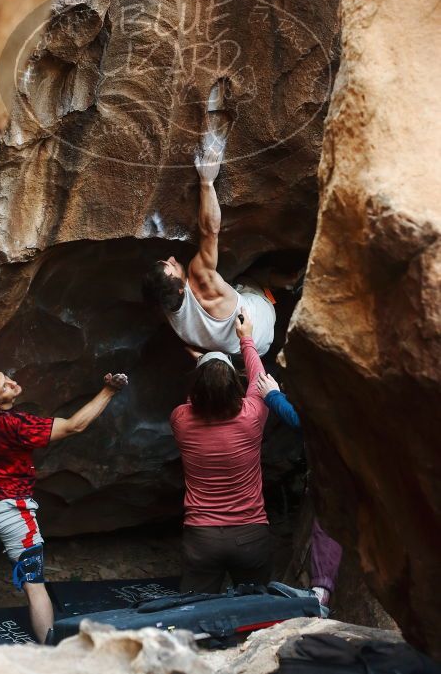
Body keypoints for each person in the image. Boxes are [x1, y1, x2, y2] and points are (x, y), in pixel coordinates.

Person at [0, 366, 128, 642]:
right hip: (12, 513)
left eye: (6, 377)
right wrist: (109, 391)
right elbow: (75, 425)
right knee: (34, 586)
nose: (13, 384)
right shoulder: (17, 427)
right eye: (5, 387)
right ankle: (48, 658)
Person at [171, 307, 272, 593]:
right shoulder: (253, 415)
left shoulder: (181, 418)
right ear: (235, 387)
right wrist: (246, 339)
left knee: (194, 614)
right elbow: (258, 380)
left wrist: (204, 365)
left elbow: (196, 399)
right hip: (251, 535)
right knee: (256, 612)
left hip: (202, 537)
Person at [142, 143, 276, 357]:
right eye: (172, 266)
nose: (173, 258)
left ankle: (282, 282)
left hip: (252, 352)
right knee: (249, 278)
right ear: (178, 289)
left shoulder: (166, 308)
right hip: (263, 321)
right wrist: (206, 181)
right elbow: (210, 231)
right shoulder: (199, 276)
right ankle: (285, 281)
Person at [257, 371, 342, 607]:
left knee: (327, 521)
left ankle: (321, 591)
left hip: (346, 474)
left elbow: (305, 423)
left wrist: (273, 396)